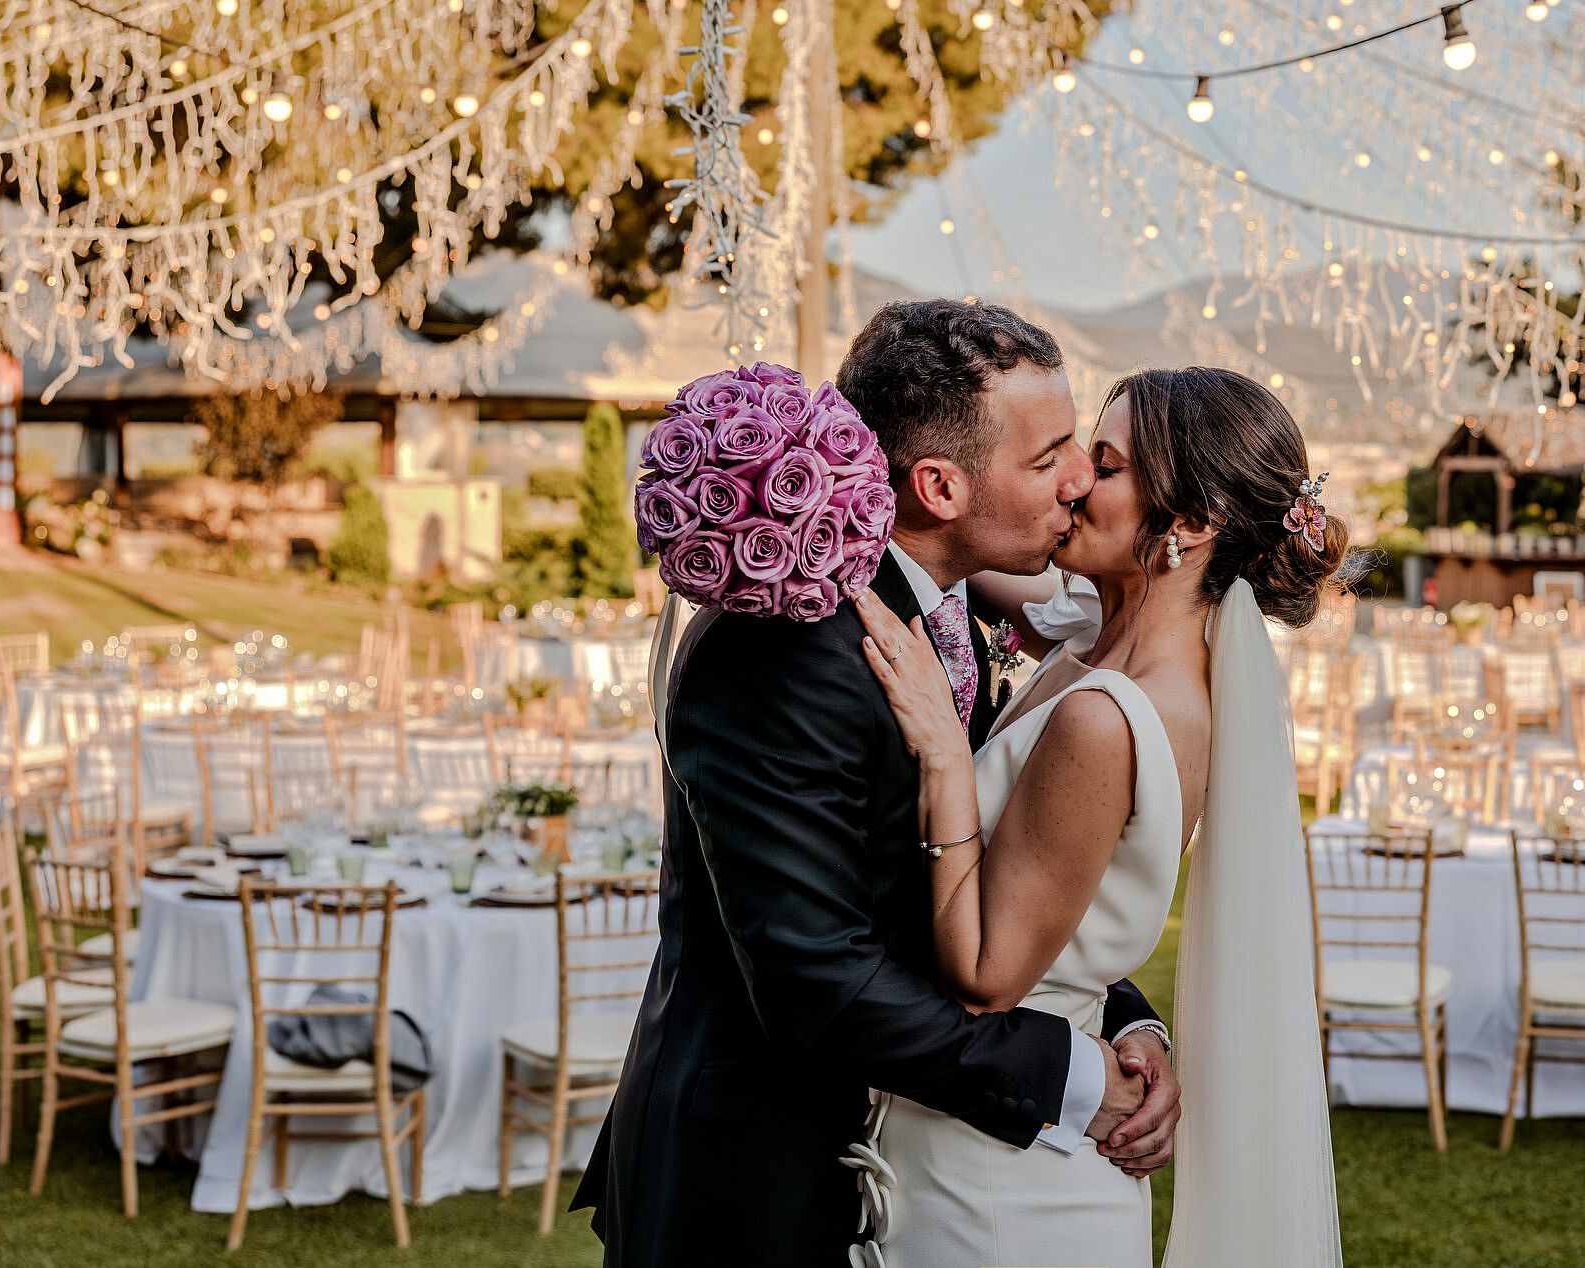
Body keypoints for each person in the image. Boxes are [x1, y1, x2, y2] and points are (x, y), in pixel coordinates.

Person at [572, 299, 1179, 1267]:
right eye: (1047, 456)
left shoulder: (934, 613)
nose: (1077, 482)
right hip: (763, 1189)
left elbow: (980, 865)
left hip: (903, 1171)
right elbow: (815, 977)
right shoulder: (785, 650)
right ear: (938, 486)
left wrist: (1120, 1016)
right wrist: (1068, 1074)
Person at [854, 364, 1348, 1266]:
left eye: (1107, 462)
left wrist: (943, 757)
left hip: (1004, 1187)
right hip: (989, 1123)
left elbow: (987, 973)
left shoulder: (1109, 717)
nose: (1075, 477)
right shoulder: (1091, 639)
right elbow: (952, 554)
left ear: (1191, 525)